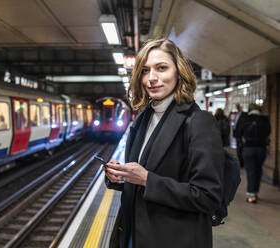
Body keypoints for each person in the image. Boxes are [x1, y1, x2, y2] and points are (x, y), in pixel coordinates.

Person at [104, 39, 224, 248]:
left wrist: (147, 180)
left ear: (179, 72)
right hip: (134, 234)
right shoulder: (143, 119)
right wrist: (121, 177)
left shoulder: (198, 122)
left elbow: (207, 196)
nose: (152, 78)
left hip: (173, 239)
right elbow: (144, 178)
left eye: (162, 68)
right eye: (144, 70)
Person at [237, 103, 270, 203]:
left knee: (251, 171)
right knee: (258, 170)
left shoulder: (245, 119)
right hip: (261, 148)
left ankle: (251, 195)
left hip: (248, 148)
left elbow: (237, 133)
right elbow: (268, 132)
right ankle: (255, 192)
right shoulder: (265, 119)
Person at [233, 103, 247, 167]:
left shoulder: (244, 114)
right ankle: (240, 163)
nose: (237, 108)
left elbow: (242, 125)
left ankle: (242, 163)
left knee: (241, 149)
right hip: (237, 134)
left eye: (238, 106)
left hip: (241, 135)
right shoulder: (237, 114)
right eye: (237, 106)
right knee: (238, 149)